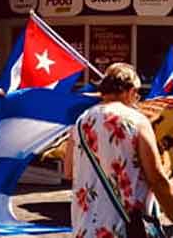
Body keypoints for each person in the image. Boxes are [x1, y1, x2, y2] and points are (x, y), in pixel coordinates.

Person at [65, 63, 173, 238]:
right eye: (137, 93)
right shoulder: (136, 121)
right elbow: (156, 177)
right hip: (124, 227)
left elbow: (68, 172)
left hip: (85, 226)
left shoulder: (80, 121)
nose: (137, 98)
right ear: (130, 91)